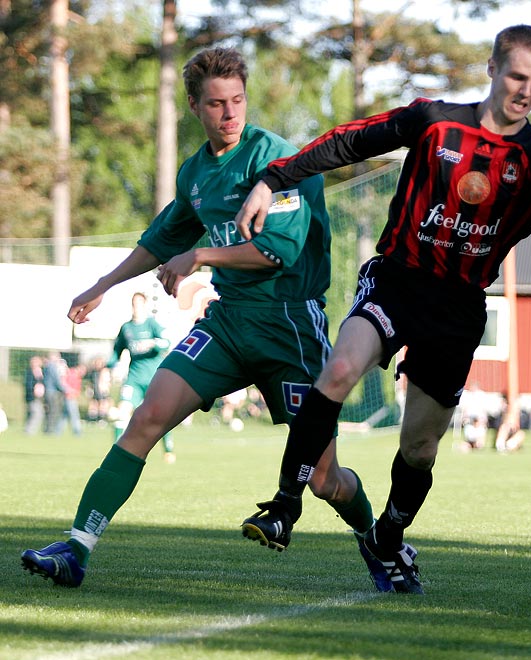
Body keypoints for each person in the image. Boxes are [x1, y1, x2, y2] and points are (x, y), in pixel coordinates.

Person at [234, 24, 531, 595]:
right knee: (339, 370)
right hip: (398, 281)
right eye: (517, 76)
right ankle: (283, 506)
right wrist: (273, 179)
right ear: (492, 70)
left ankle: (389, 534)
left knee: (419, 449)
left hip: (458, 309)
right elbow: (351, 139)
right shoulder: (434, 121)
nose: (526, 91)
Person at [20, 47, 386, 592]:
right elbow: (162, 239)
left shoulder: (280, 159)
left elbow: (276, 252)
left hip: (289, 326)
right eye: (216, 103)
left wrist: (200, 258)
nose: (230, 113)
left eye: (237, 100)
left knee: (324, 478)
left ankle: (380, 547)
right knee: (146, 417)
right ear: (194, 106)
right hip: (229, 322)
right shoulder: (196, 172)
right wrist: (102, 286)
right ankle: (76, 549)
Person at [108, 292, 174, 460]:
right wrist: (108, 367)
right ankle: (117, 452)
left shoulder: (152, 324)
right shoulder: (127, 328)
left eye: (139, 304)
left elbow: (167, 342)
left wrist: (153, 343)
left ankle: (168, 450)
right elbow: (116, 351)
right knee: (123, 412)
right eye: (134, 304)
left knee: (161, 417)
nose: (136, 308)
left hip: (154, 379)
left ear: (144, 306)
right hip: (134, 379)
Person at [24, 355, 45, 435]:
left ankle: (29, 430)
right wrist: (34, 390)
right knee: (36, 413)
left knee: (37, 413)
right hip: (32, 397)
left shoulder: (40, 372)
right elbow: (28, 385)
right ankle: (29, 431)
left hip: (39, 397)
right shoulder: (29, 372)